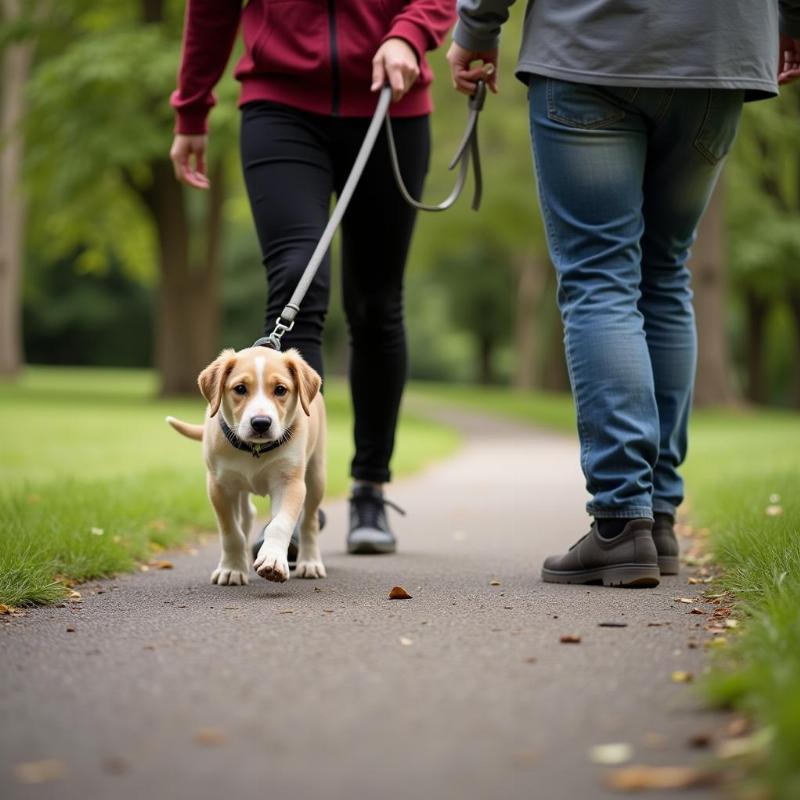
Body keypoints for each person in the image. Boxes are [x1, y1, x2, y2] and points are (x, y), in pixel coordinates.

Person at [447, 1, 800, 586]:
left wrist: (478, 27)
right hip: (720, 49)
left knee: (600, 275)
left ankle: (620, 521)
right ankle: (657, 519)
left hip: (591, 46)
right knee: (664, 271)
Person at [169, 0, 455, 558]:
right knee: (297, 280)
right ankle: (291, 498)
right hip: (280, 103)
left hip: (389, 101)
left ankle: (370, 486)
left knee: (375, 302)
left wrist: (410, 32)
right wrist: (191, 108)